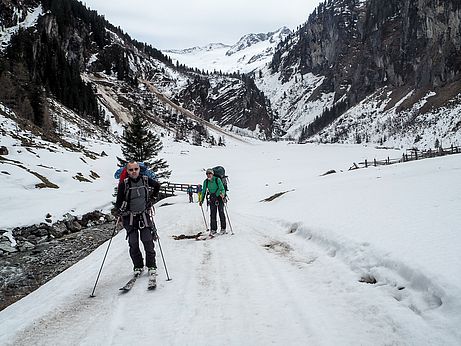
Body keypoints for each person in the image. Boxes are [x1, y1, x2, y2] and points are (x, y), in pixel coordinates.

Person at [115, 161, 160, 276]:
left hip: (143, 215)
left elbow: (157, 185)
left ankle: (151, 265)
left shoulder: (145, 180)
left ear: (139, 169)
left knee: (148, 241)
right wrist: (120, 211)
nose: (134, 171)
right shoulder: (124, 184)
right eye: (131, 170)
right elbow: (118, 202)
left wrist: (153, 197)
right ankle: (138, 266)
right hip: (129, 217)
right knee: (133, 243)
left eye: (136, 169)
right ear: (127, 171)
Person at [199, 168, 226, 235]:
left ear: (212, 174)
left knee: (221, 213)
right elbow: (203, 191)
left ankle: (223, 228)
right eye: (207, 174)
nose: (208, 175)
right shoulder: (206, 182)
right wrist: (201, 200)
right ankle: (213, 229)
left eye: (210, 173)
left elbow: (222, 188)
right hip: (212, 198)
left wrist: (222, 194)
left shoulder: (217, 179)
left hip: (219, 197)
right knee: (212, 214)